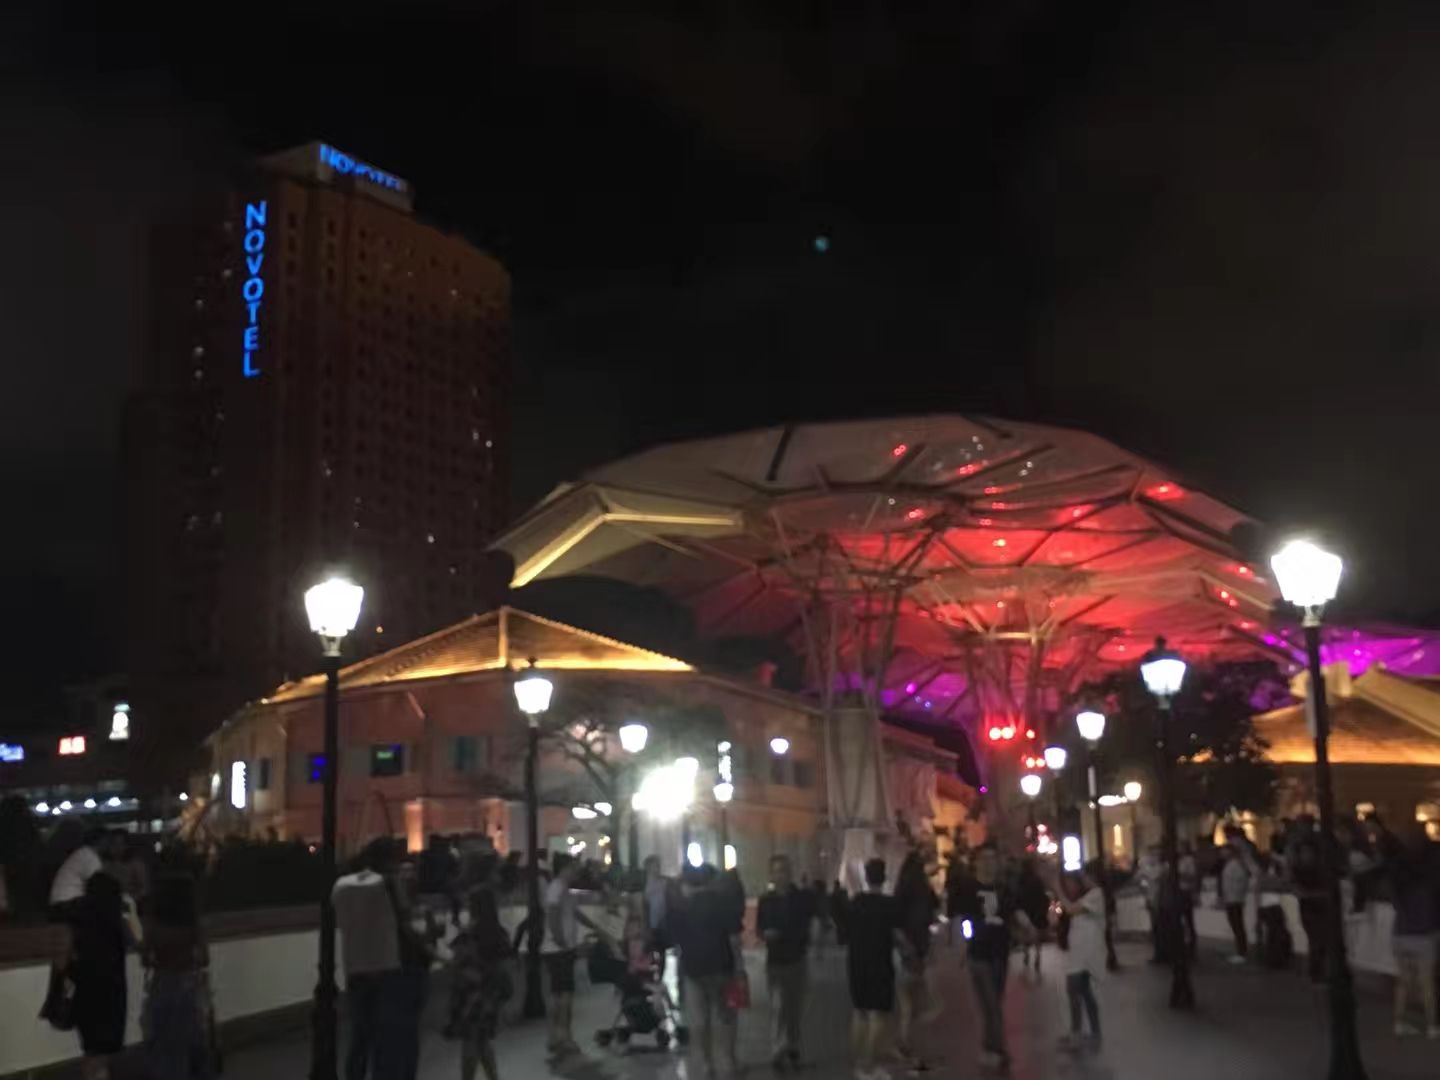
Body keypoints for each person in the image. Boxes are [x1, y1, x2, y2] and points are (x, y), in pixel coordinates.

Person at [333, 838, 405, 1080]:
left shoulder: (343, 885)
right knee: (385, 1037)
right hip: (384, 964)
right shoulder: (387, 884)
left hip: (355, 965)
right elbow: (404, 913)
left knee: (360, 1034)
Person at [952, 844, 1026, 1074]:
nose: (988, 863)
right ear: (976, 862)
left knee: (992, 1004)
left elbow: (1014, 911)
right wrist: (964, 942)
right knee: (992, 1004)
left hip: (1000, 952)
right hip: (978, 953)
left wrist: (1027, 925)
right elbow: (961, 919)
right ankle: (1000, 1050)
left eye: (992, 859)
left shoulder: (1004, 888)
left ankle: (988, 1048)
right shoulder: (967, 888)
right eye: (984, 859)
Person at [666, 863, 743, 1080]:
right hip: (723, 968)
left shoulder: (681, 909)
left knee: (700, 1020)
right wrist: (739, 968)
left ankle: (707, 1064)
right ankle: (728, 1061)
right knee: (727, 1017)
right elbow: (734, 939)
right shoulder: (723, 904)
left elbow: (675, 942)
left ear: (687, 885)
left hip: (694, 971)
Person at [142, 873, 213, 1080]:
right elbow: (204, 959)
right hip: (187, 983)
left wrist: (160, 960)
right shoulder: (195, 923)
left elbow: (145, 958)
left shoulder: (154, 924)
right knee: (188, 1040)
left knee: (161, 1039)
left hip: (160, 982)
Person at [70, 872, 139, 1080]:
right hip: (112, 991)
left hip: (85, 990)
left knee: (91, 1048)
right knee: (104, 1049)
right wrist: (131, 911)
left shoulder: (79, 918)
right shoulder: (116, 920)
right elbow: (137, 940)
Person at [847, 857, 904, 1080]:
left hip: (856, 964)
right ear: (884, 877)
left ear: (866, 877)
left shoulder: (856, 902)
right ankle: (869, 1064)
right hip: (880, 963)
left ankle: (858, 1064)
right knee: (879, 1016)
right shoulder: (889, 905)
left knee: (860, 1012)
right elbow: (897, 934)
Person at [542, 852, 603, 1057]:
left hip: (560, 948)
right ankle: (564, 1036)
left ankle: (555, 1035)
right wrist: (560, 939)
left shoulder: (563, 889)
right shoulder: (557, 888)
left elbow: (574, 913)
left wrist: (594, 926)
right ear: (564, 868)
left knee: (559, 993)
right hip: (559, 949)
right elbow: (553, 914)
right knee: (564, 993)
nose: (576, 872)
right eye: (573, 868)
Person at [449, 888, 514, 1080]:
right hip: (490, 995)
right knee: (483, 1040)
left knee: (470, 1041)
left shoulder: (468, 935)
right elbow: (505, 965)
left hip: (471, 995)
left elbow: (458, 965)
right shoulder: (498, 933)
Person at [756, 854, 811, 1071]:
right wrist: (765, 934)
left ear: (790, 872)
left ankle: (794, 1047)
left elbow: (807, 924)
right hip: (775, 962)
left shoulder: (801, 898)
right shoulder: (766, 900)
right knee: (778, 1007)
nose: (781, 875)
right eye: (777, 871)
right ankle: (778, 1049)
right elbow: (760, 928)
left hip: (797, 959)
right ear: (771, 874)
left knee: (794, 1008)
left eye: (784, 870)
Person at [1387, 823, 1439, 1037]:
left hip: (1401, 933)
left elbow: (1394, 899)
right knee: (1427, 983)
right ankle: (1432, 1026)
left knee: (1403, 981)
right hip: (1424, 934)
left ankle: (1399, 1023)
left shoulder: (1399, 872)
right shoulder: (1431, 876)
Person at [893, 851, 940, 1065]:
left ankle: (905, 1040)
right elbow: (935, 909)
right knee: (920, 1002)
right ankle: (907, 1042)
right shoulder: (923, 888)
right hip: (919, 946)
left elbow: (896, 922)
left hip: (907, 948)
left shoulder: (903, 888)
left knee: (909, 999)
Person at [1055, 865, 1105, 1052]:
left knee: (1074, 990)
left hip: (1085, 954)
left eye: (1085, 877)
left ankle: (1077, 1033)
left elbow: (1071, 909)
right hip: (1081, 953)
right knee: (1084, 992)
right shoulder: (1089, 895)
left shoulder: (1096, 894)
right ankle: (1093, 1031)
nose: (1082, 880)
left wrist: (1058, 889)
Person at [50, 829, 122, 922]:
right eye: (109, 841)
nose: (110, 845)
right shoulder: (91, 858)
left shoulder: (83, 852)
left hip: (61, 904)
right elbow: (99, 888)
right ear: (102, 841)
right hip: (66, 904)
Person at [1219, 831, 1253, 965]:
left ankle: (1242, 952)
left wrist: (1234, 895)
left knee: (1237, 925)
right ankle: (1240, 950)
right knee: (1236, 925)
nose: (1222, 853)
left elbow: (1240, 883)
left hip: (1235, 899)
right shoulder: (1231, 865)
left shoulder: (1236, 865)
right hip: (1232, 899)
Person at [1015, 858, 1050, 975]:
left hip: (1025, 908)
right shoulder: (1037, 879)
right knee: (1036, 933)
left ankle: (1026, 953)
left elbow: (1017, 894)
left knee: (1025, 931)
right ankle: (1038, 954)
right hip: (1037, 909)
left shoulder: (1021, 879)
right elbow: (1043, 894)